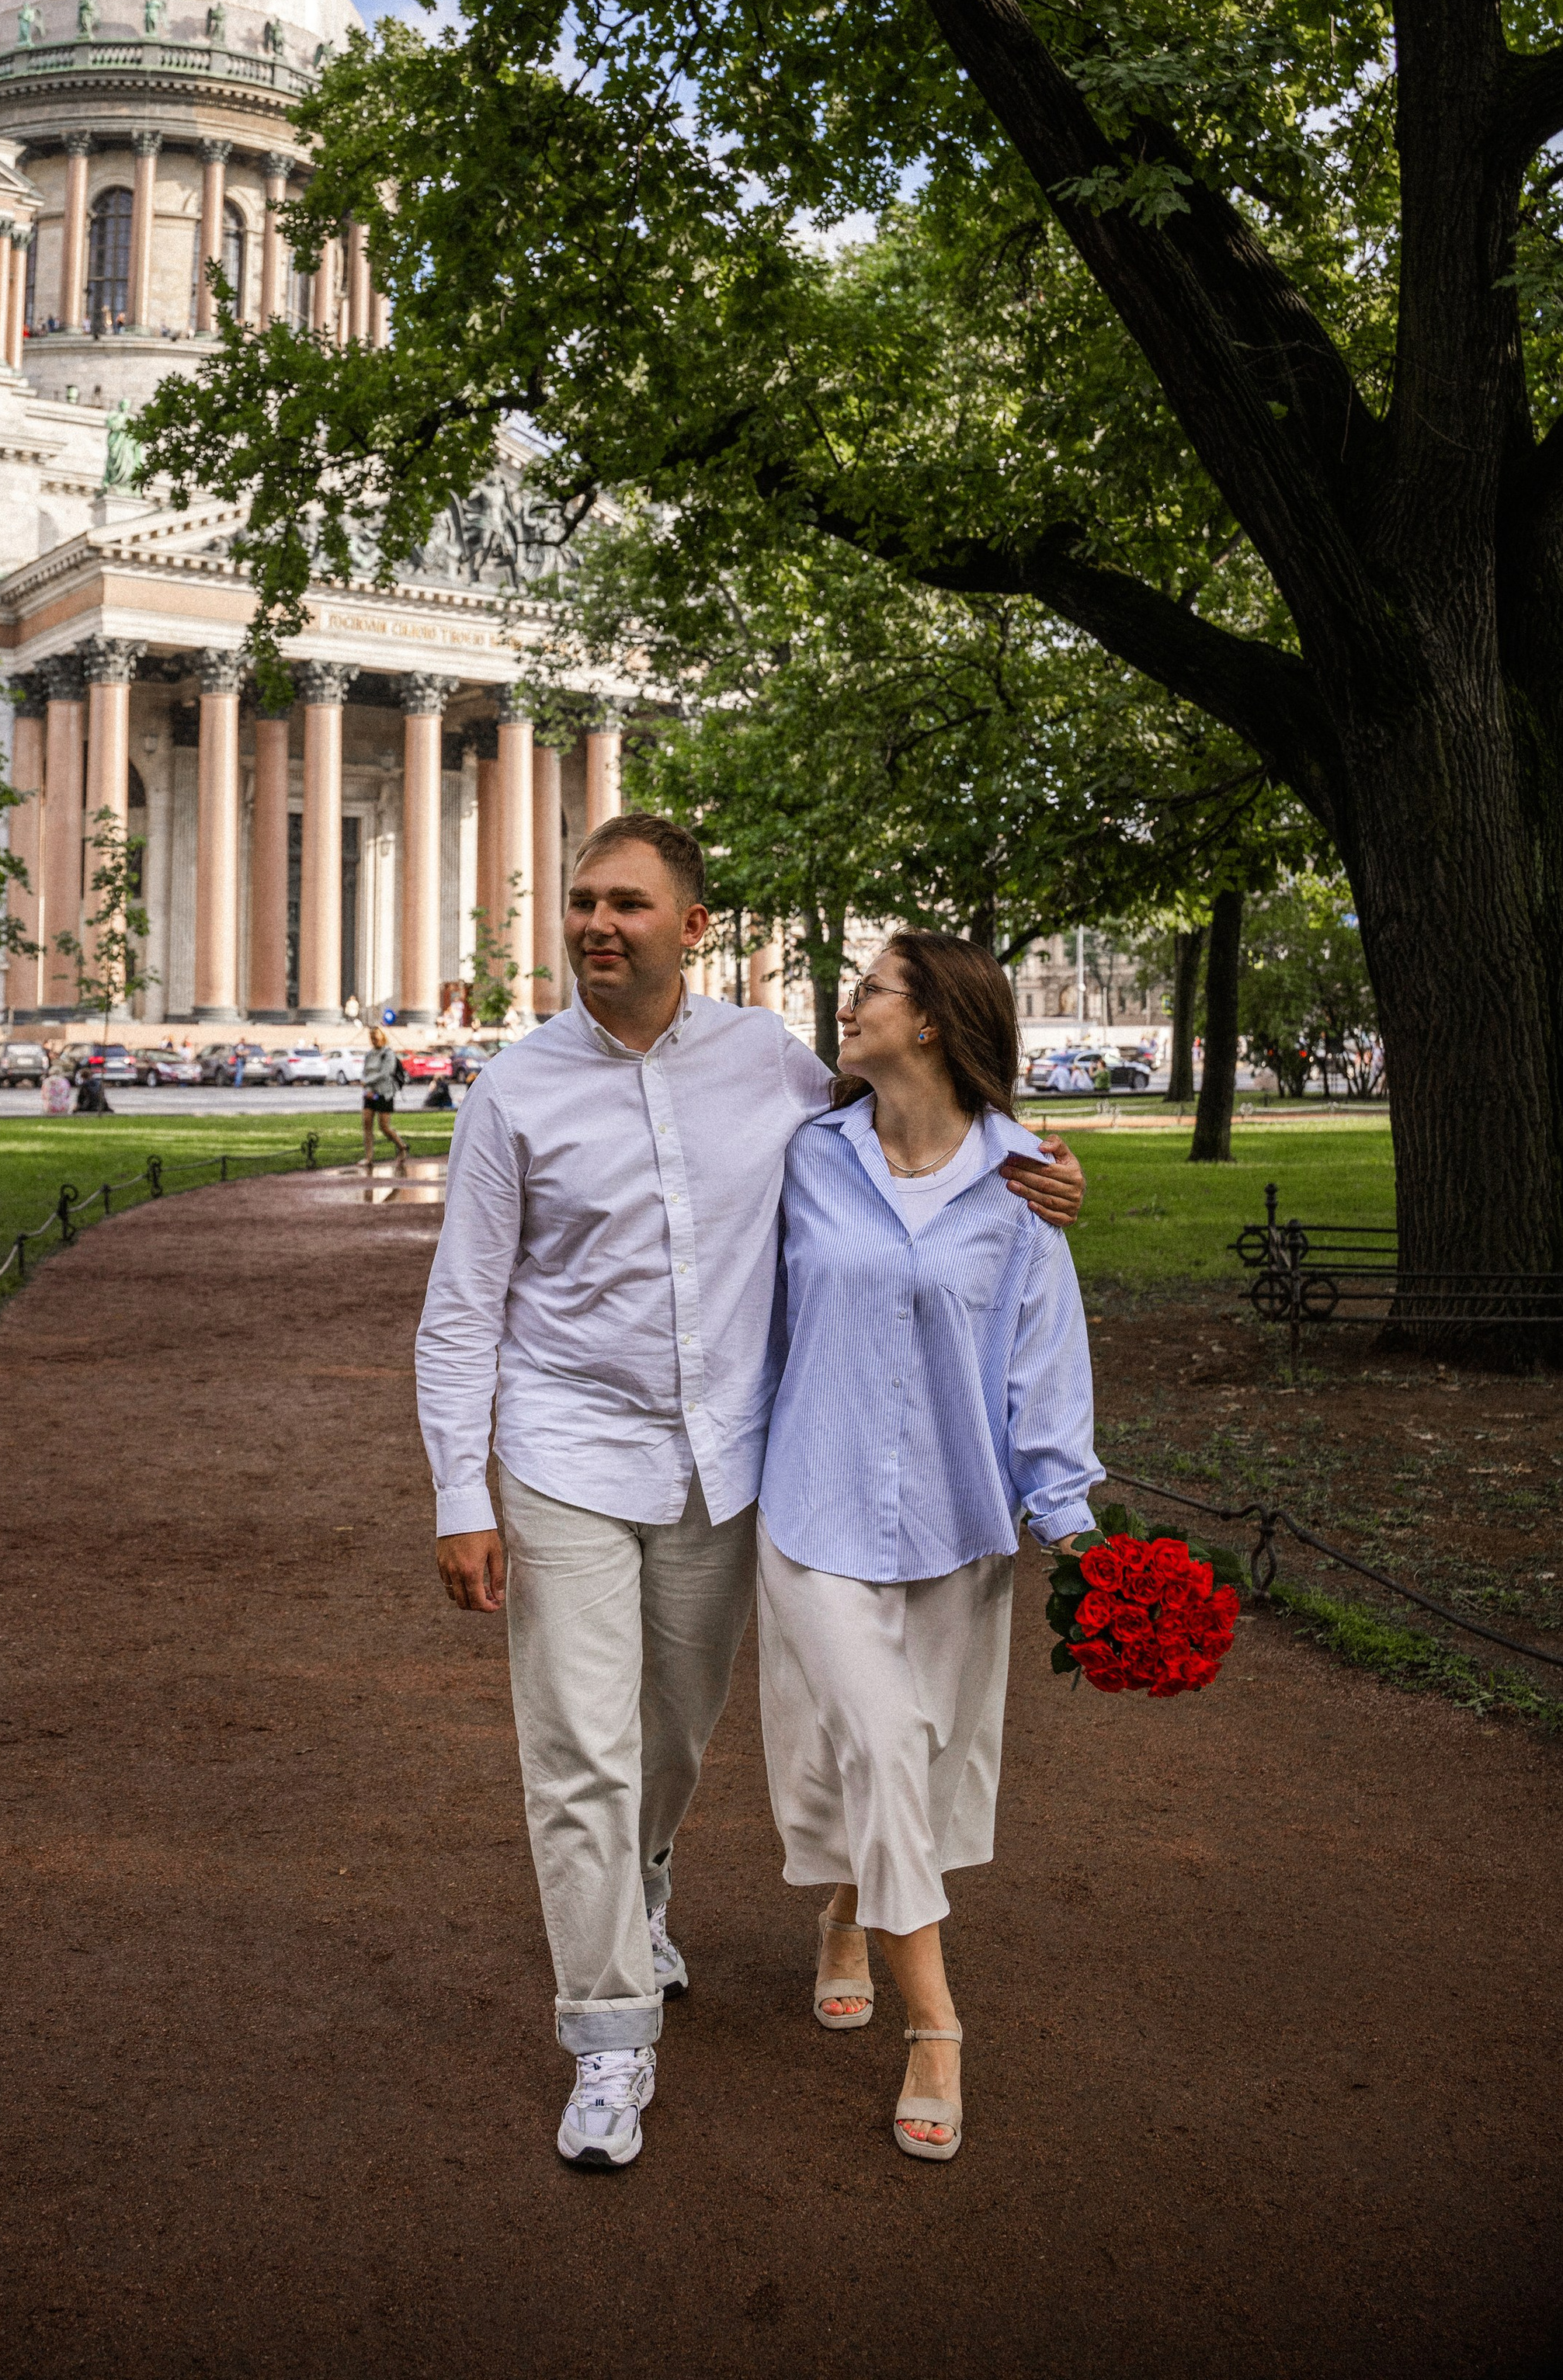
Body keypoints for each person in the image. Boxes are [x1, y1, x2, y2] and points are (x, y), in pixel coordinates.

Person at [416, 814, 1085, 2173]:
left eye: (628, 904)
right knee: (581, 1753)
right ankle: (609, 2040)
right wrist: (458, 1490)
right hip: (563, 1456)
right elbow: (460, 1310)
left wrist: (1046, 1165)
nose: (598, 924)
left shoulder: (781, 1073)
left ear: (694, 929)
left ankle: (646, 1878)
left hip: (728, 1467)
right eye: (582, 902)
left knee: (669, 1734)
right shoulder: (517, 1090)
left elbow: (933, 1142)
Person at [755, 931, 1102, 2163]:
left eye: (871, 993)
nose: (846, 1009)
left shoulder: (1022, 1184)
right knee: (888, 1737)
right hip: (811, 1510)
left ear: (936, 1022)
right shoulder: (805, 1156)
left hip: (962, 1520)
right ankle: (938, 2026)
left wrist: (1075, 1528)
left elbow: (1041, 1367)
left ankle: (850, 1911)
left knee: (926, 1753)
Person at [360, 1025, 409, 1177]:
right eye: (371, 1038)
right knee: (367, 1123)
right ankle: (369, 1158)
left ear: (382, 1037)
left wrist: (368, 1081)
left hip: (385, 1093)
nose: (374, 1040)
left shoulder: (388, 1054)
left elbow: (385, 1073)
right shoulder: (369, 1055)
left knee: (384, 1126)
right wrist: (366, 1086)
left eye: (376, 1037)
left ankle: (402, 1146)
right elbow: (365, 1071)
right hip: (370, 1094)